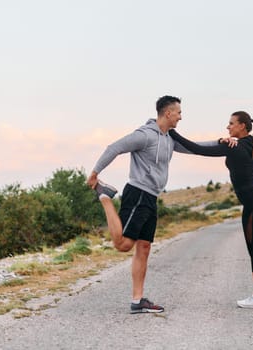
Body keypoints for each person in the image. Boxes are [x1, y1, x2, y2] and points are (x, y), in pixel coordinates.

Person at [87, 95, 220, 314]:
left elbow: (195, 147)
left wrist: (220, 142)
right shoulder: (145, 135)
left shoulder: (169, 138)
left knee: (144, 247)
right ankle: (105, 197)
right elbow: (115, 147)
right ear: (168, 113)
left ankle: (138, 300)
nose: (180, 116)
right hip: (138, 193)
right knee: (123, 245)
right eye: (178, 112)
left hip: (151, 197)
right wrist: (94, 174)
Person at [169, 111, 253, 309]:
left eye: (231, 124)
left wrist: (172, 133)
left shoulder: (232, 147)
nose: (228, 127)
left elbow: (196, 149)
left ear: (242, 126)